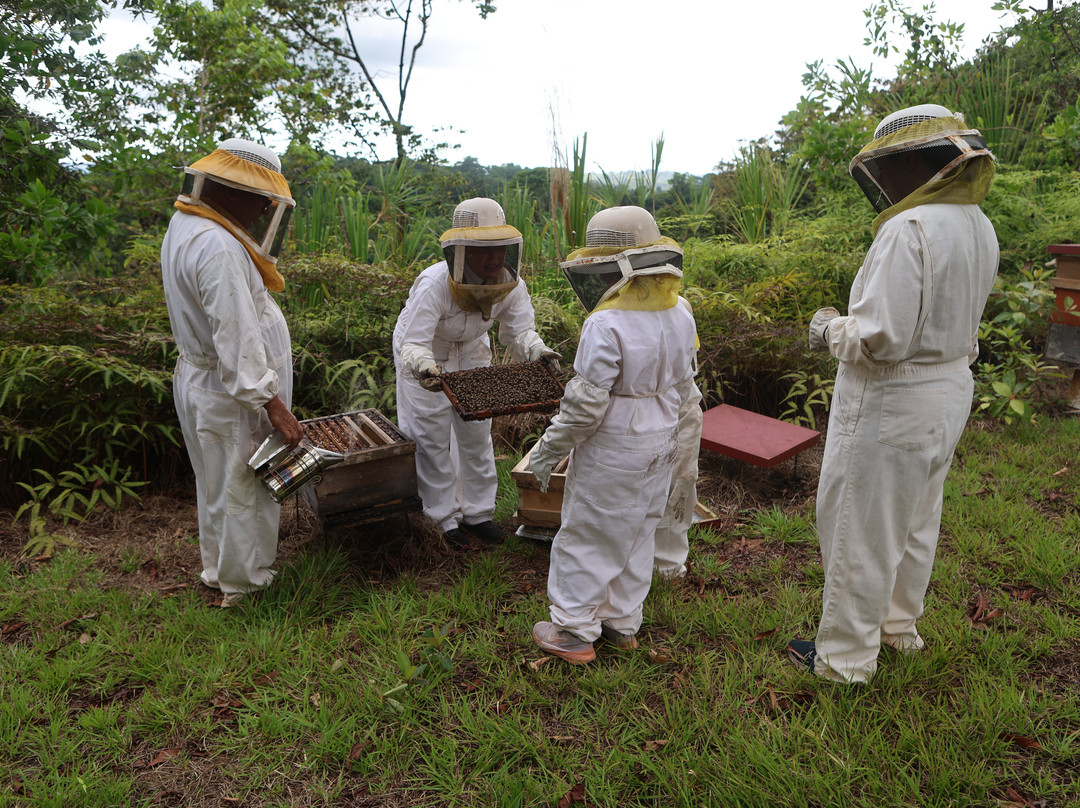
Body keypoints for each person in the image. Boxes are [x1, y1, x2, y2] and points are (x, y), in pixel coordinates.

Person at [788, 104, 999, 683]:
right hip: (950, 390)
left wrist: (828, 327)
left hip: (894, 397)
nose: (882, 182)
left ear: (913, 161)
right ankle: (897, 630)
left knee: (862, 525)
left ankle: (844, 660)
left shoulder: (910, 229)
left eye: (888, 167)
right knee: (914, 521)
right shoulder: (977, 223)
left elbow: (881, 340)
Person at [528, 206, 698, 664]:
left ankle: (573, 630)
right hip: (662, 438)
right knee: (639, 529)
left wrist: (547, 451)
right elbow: (687, 386)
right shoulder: (681, 310)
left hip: (616, 444)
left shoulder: (605, 323)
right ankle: (623, 623)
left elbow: (585, 407)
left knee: (589, 533)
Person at [161, 137, 303, 608]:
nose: (264, 210)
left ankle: (219, 570)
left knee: (216, 480)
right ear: (232, 189)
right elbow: (237, 340)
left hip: (204, 380)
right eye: (260, 198)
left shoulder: (185, 224)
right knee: (244, 482)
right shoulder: (218, 246)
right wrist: (272, 403)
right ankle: (245, 587)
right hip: (233, 390)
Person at [393, 198, 560, 550]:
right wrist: (424, 367)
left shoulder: (513, 285)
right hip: (425, 353)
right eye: (484, 251)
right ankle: (442, 519)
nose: (494, 259)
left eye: (500, 249)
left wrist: (537, 350)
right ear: (462, 252)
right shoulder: (434, 284)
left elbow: (519, 332)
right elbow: (414, 342)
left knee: (476, 434)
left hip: (471, 350)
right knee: (431, 438)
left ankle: (478, 514)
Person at [653, 296, 703, 580]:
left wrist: (685, 468)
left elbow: (687, 406)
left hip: (678, 419)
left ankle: (668, 570)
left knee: (675, 497)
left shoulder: (679, 307)